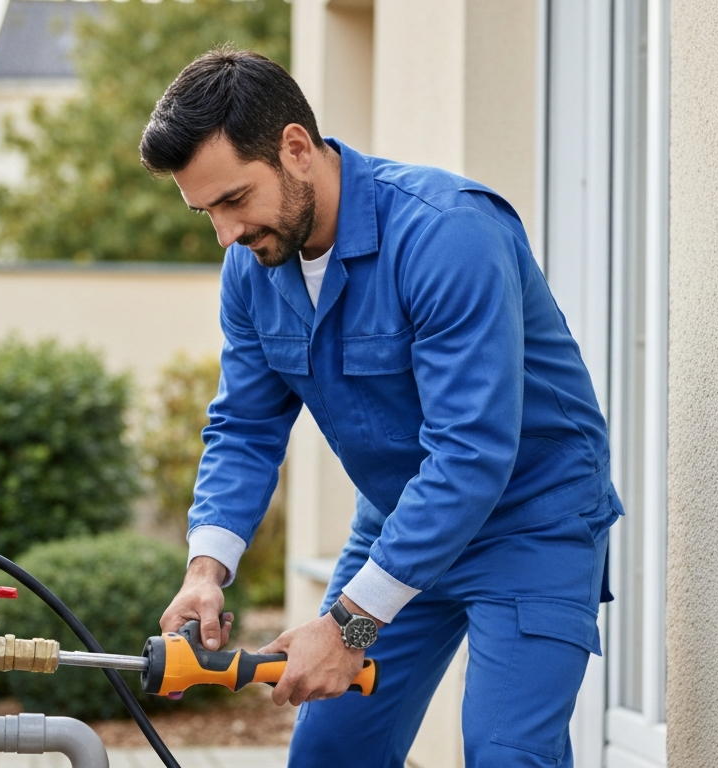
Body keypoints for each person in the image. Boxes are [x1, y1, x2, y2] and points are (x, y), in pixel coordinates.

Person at [140, 47, 620, 768]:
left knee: (505, 754)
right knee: (331, 754)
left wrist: (349, 625)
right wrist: (205, 569)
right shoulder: (253, 270)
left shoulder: (447, 235)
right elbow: (244, 426)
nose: (226, 234)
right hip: (400, 523)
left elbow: (470, 452)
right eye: (206, 210)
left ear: (296, 149)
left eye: (235, 200)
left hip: (531, 522)